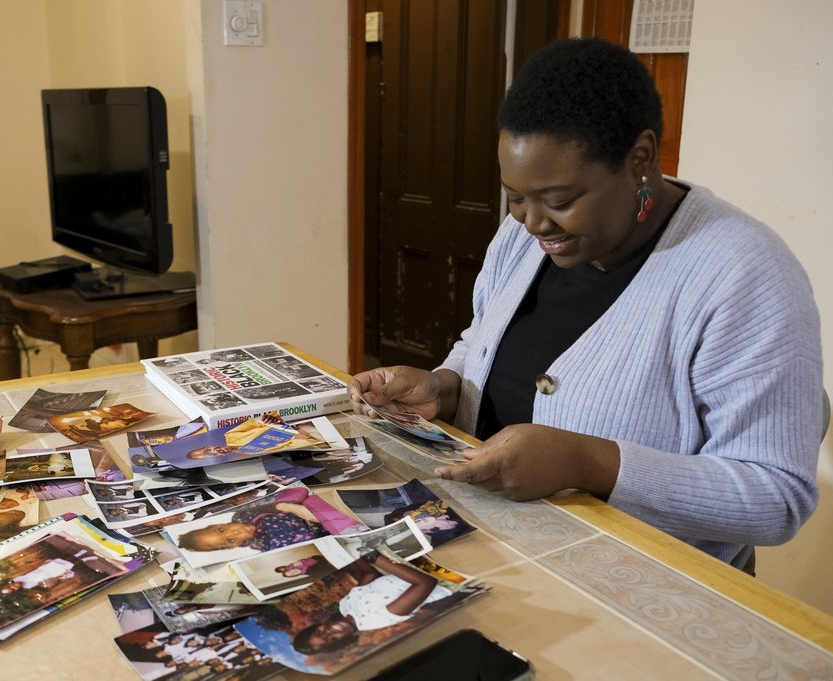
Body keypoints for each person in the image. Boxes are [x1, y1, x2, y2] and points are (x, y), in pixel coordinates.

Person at [349, 37, 822, 569]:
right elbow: (481, 338)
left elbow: (777, 496)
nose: (532, 223)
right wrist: (447, 386)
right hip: (499, 549)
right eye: (515, 197)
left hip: (640, 584)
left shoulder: (744, 273)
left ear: (640, 159)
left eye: (560, 201)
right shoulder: (521, 236)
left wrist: (589, 463)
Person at [291, 553, 451, 655]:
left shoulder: (345, 607)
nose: (330, 632)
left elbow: (369, 574)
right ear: (343, 640)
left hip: (409, 561)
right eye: (332, 639)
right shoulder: (375, 620)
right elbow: (425, 583)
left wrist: (351, 553)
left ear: (316, 626)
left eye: (320, 633)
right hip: (441, 573)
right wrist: (376, 558)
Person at [177, 488, 327, 552]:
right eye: (230, 540)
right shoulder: (265, 545)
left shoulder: (242, 516)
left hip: (306, 507)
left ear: (216, 523)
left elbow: (273, 504)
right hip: (327, 527)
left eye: (222, 530)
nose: (236, 532)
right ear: (232, 546)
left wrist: (288, 507)